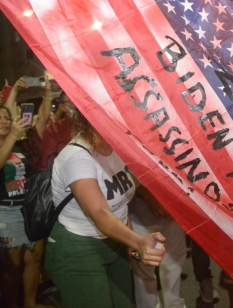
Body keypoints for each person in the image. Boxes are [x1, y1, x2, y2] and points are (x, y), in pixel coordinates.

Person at [46, 109, 165, 307]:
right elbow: (100, 213)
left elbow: (121, 201)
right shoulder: (77, 158)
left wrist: (127, 239)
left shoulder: (116, 146)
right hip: (77, 248)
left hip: (113, 244)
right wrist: (138, 241)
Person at [0, 76, 52, 308]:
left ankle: (30, 304)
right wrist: (11, 134)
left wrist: (48, 91)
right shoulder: (8, 142)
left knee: (34, 259)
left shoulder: (21, 144)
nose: (3, 121)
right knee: (12, 267)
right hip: (6, 212)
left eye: (5, 118)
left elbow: (40, 122)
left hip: (29, 210)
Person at [130, 188, 187, 308]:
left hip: (172, 209)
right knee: (144, 273)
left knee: (174, 265)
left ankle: (174, 305)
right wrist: (145, 194)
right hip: (141, 213)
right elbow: (124, 173)